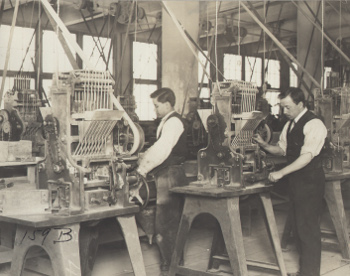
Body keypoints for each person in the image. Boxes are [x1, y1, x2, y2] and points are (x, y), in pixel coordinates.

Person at [253, 87, 327, 276]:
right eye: (282, 107)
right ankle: (305, 271)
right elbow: (283, 150)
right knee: (298, 226)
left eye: (287, 107)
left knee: (308, 228)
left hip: (310, 181)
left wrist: (281, 173)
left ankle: (310, 273)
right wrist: (264, 145)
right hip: (296, 181)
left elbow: (306, 157)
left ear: (300, 104)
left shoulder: (314, 124)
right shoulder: (290, 124)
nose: (284, 112)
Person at [137, 87, 188, 275]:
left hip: (170, 176)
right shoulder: (168, 121)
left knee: (167, 222)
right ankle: (173, 263)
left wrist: (142, 169)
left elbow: (163, 149)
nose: (155, 110)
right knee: (168, 221)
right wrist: (144, 156)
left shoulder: (173, 122)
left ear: (167, 104)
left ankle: (172, 266)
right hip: (167, 174)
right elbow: (159, 147)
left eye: (157, 106)